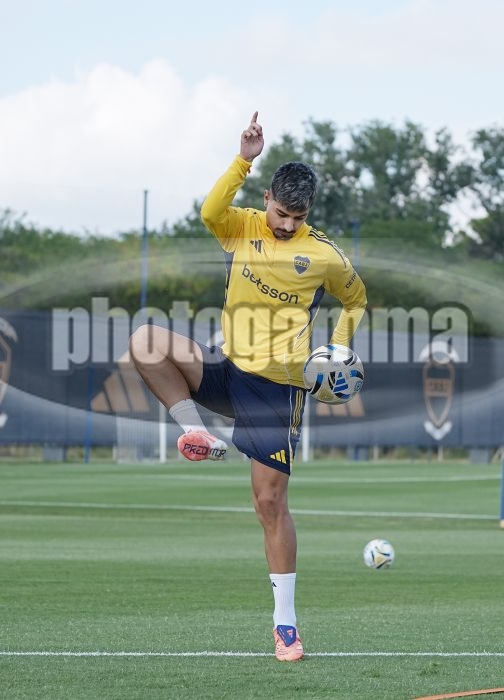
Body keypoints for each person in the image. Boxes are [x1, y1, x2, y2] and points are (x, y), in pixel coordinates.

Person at [129, 111, 367, 661]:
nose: (286, 224)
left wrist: (338, 350)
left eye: (297, 217)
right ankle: (195, 433)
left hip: (277, 389)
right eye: (281, 213)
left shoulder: (325, 256)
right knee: (145, 341)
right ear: (267, 200)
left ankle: (285, 626)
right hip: (226, 367)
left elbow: (355, 299)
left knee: (268, 503)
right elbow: (209, 210)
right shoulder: (242, 226)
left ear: (309, 213)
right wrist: (243, 158)